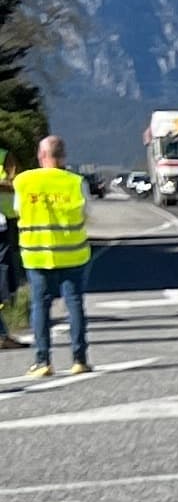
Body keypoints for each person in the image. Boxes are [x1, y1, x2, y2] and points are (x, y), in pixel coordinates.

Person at [15, 134, 92, 381]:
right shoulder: (76, 182)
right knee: (75, 304)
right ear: (63, 156)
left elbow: (17, 210)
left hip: (36, 255)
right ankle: (79, 360)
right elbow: (86, 213)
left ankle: (42, 361)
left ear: (41, 155)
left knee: (40, 306)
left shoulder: (24, 181)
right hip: (72, 254)